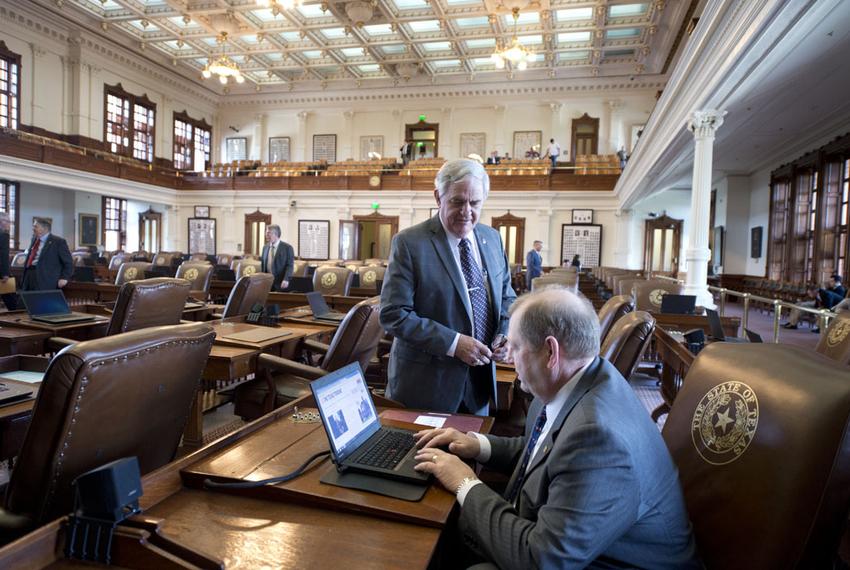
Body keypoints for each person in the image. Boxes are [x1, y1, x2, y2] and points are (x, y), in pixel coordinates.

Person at [413, 288, 700, 569]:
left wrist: (465, 482)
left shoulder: (598, 439)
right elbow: (542, 454)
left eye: (515, 346)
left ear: (551, 351)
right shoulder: (575, 381)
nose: (509, 358)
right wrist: (477, 445)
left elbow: (543, 560)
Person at [380, 158, 516, 415]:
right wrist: (453, 343)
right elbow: (393, 315)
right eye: (457, 201)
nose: (466, 211)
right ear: (438, 197)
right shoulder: (409, 243)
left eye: (474, 203)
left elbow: (508, 297)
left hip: (480, 386)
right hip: (426, 388)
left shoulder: (493, 239)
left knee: (469, 454)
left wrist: (506, 334)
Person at [20, 218, 73, 292]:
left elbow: (68, 262)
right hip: (29, 274)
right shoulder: (34, 239)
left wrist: (64, 277)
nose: (33, 229)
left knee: (39, 301)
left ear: (44, 228)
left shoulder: (58, 242)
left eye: (35, 226)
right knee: (27, 300)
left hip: (45, 279)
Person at [260, 224, 295, 292]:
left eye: (268, 233)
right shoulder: (265, 247)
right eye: (266, 233)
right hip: (267, 283)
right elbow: (263, 266)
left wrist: (286, 279)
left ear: (275, 234)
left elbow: (290, 266)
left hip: (281, 283)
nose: (266, 235)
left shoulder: (287, 248)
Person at [0, 213, 16, 310]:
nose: (9, 224)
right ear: (1, 222)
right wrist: (5, 273)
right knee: (11, 300)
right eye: (8, 221)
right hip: (1, 271)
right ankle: (17, 320)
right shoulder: (4, 235)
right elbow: (3, 255)